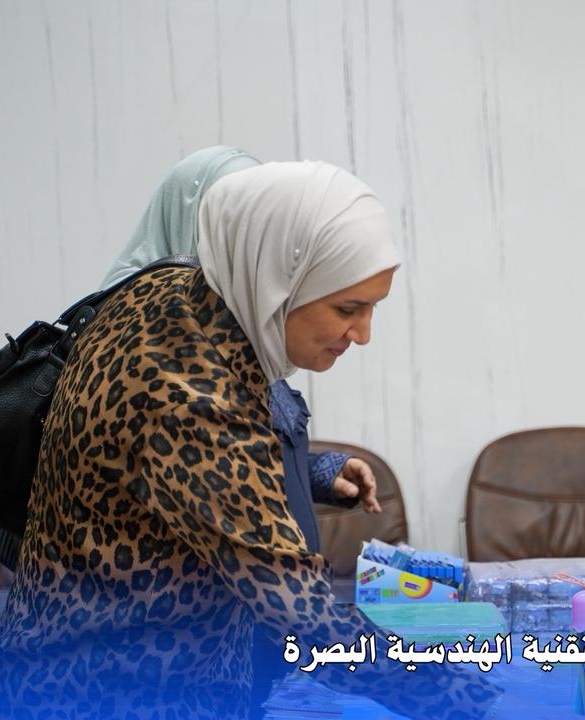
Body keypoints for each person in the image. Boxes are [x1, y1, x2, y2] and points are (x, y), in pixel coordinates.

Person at [0, 162, 510, 719]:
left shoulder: (167, 293)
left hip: (68, 665)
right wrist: (469, 699)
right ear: (279, 278)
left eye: (372, 307)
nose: (363, 334)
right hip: (117, 693)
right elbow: (303, 615)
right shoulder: (193, 397)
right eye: (347, 309)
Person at [101, 145, 383, 718]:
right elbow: (209, 464)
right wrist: (461, 694)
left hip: (232, 643)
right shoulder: (172, 364)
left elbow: (237, 462)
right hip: (150, 676)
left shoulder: (235, 338)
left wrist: (321, 473)